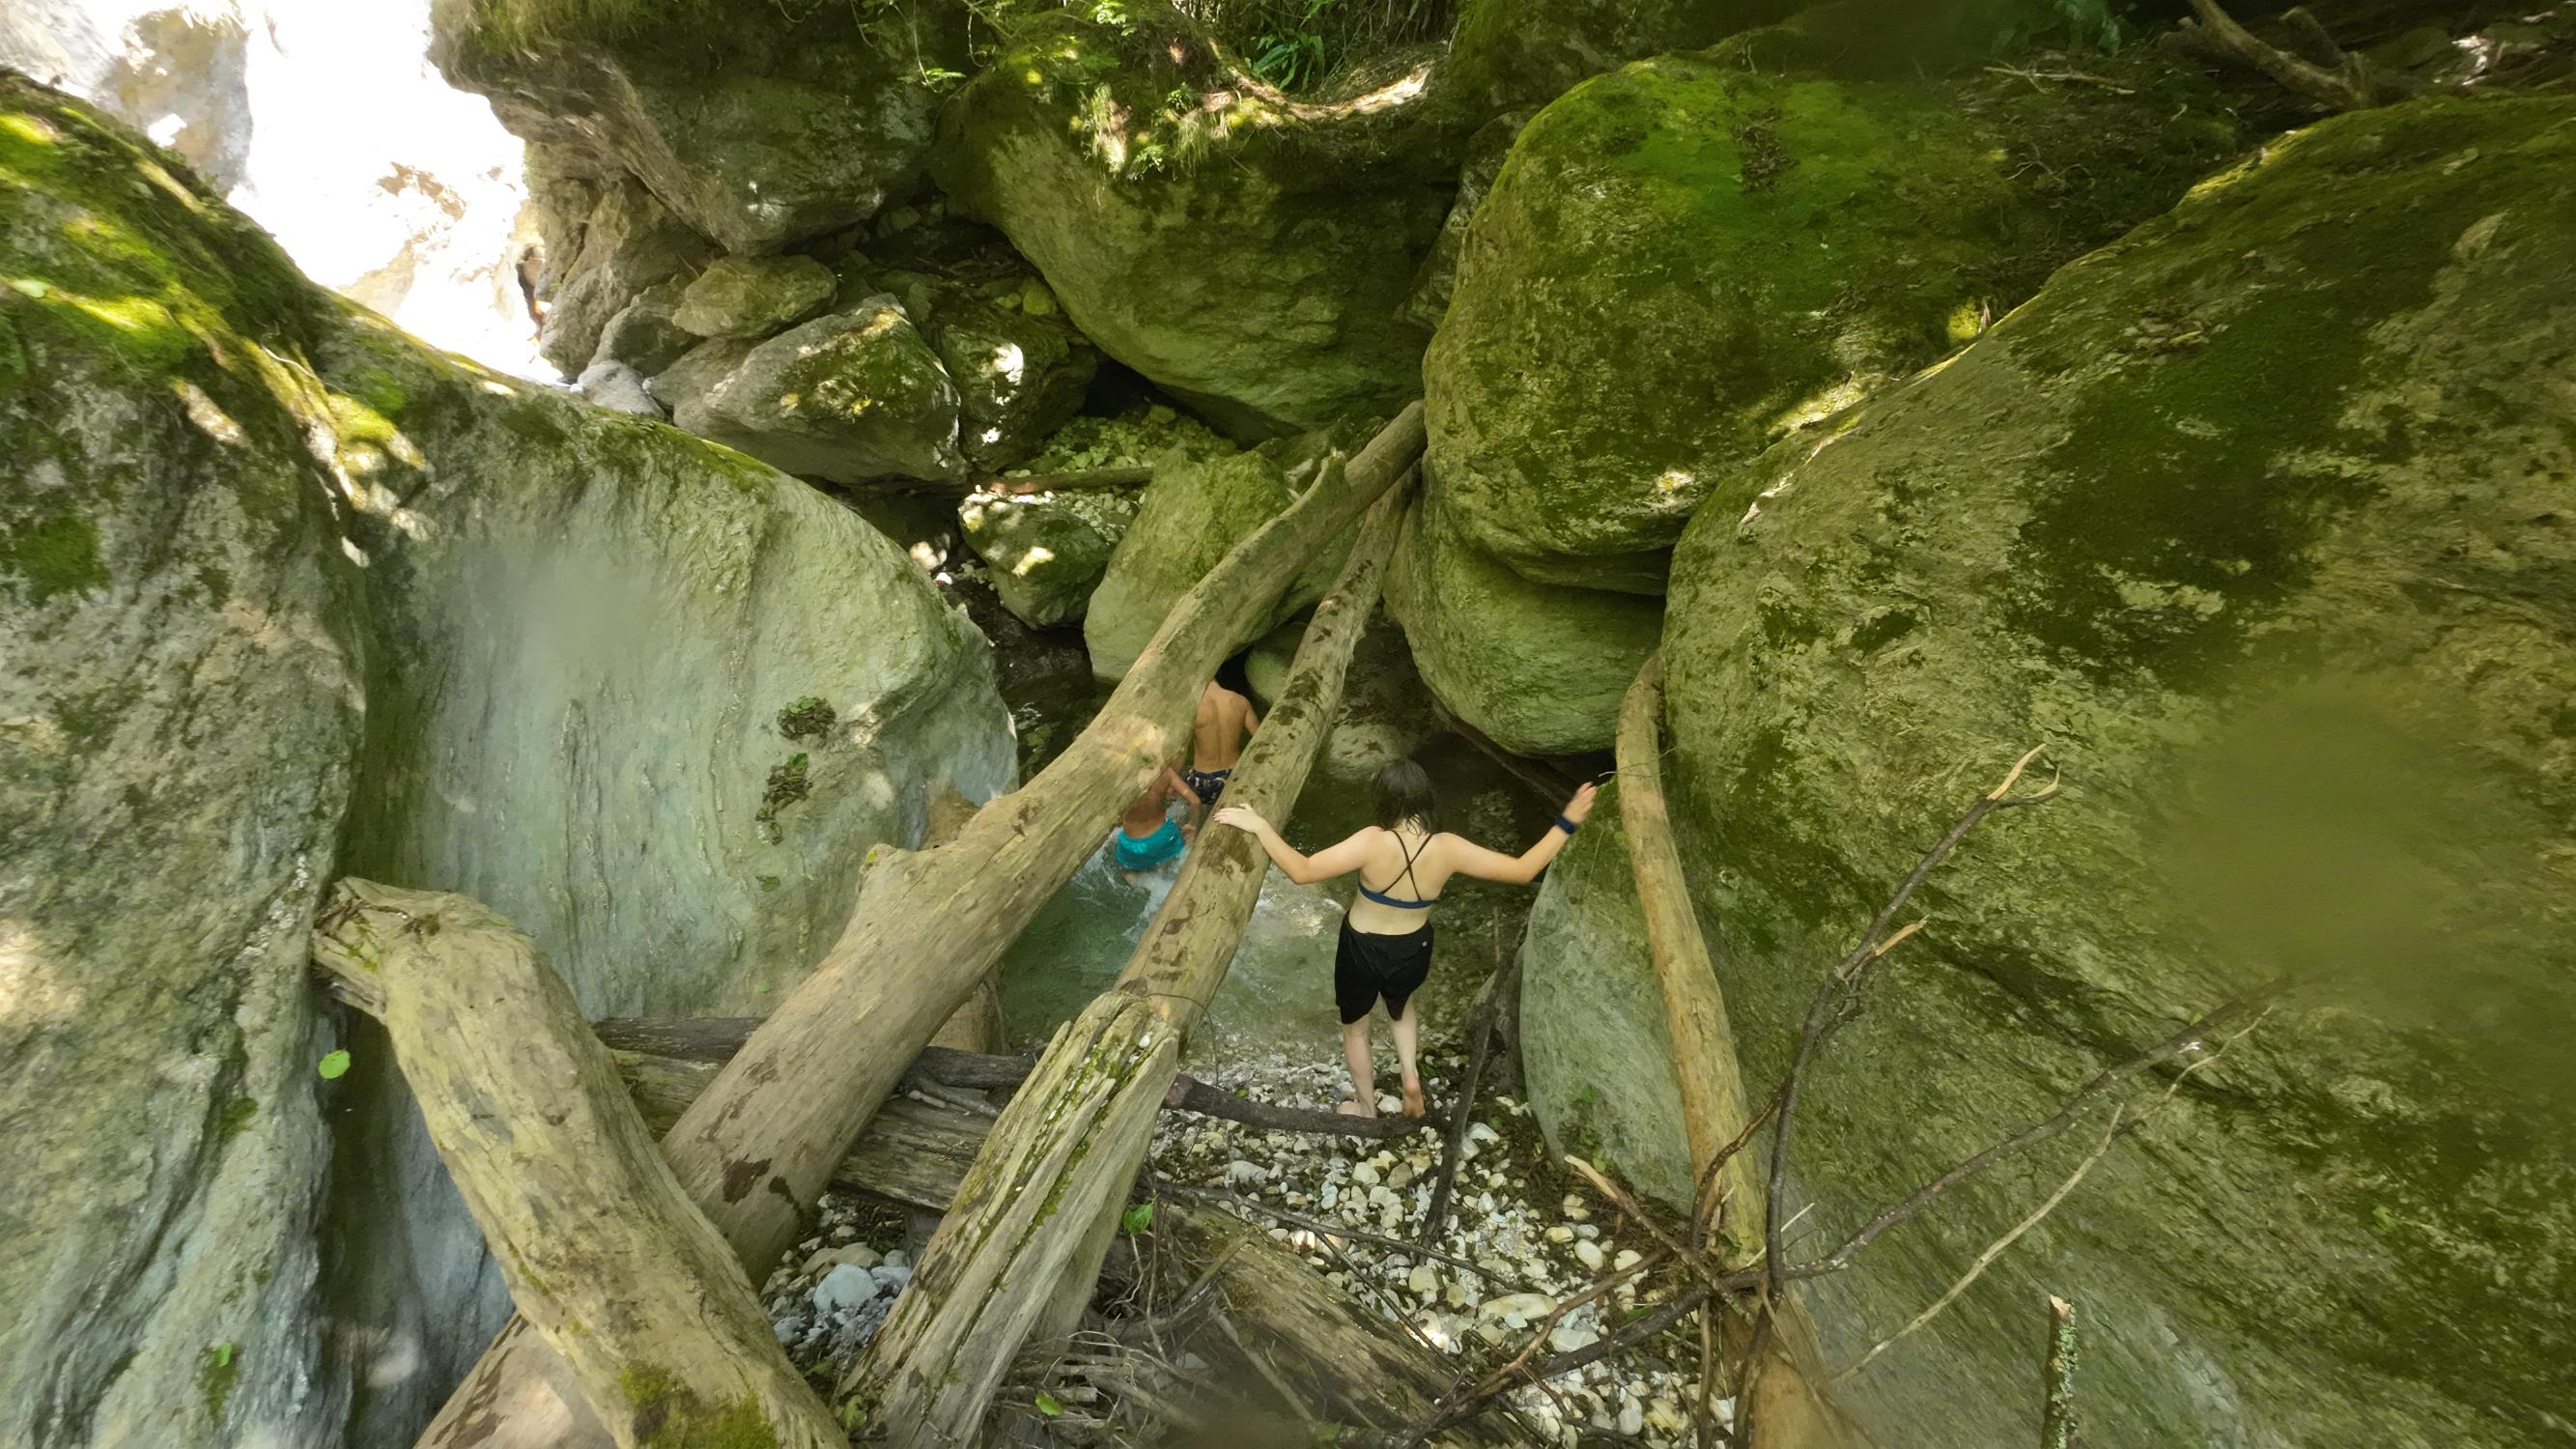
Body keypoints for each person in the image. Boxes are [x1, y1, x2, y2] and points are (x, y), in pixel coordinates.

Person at [1217, 761, 1597, 1118]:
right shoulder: (1448, 847)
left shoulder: (1373, 841)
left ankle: (1367, 1110)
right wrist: (1568, 821)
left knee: (1356, 1028)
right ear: (1424, 798)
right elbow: (1523, 870)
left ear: (1385, 802)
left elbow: (1302, 871)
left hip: (1361, 947)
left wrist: (1261, 826)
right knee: (1401, 1006)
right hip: (1413, 947)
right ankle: (1410, 1077)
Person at [1114, 760, 1204, 876]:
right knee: (1177, 864)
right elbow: (1195, 801)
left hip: (1132, 844)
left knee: (1129, 873)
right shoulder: (1165, 773)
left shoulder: (1120, 783)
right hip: (1165, 835)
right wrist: (1192, 825)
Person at [1183, 680, 1260, 806]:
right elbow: (1260, 739)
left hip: (1203, 780)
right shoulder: (1240, 701)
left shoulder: (1191, 707)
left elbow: (1179, 751)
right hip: (1235, 775)